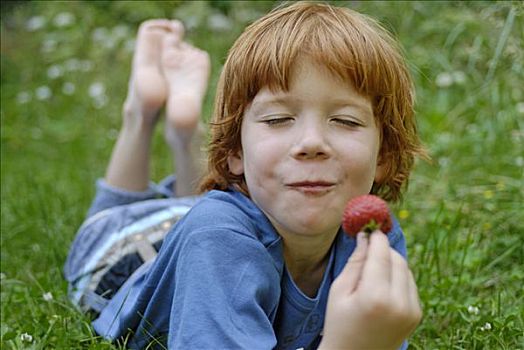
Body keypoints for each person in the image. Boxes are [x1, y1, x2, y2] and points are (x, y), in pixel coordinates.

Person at [64, 2, 426, 349]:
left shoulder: (373, 236)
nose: (312, 142)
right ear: (234, 151)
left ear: (384, 154)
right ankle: (141, 115)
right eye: (278, 119)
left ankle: (181, 131)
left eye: (346, 121)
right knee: (113, 219)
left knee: (196, 214)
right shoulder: (217, 240)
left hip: (199, 225)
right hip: (122, 257)